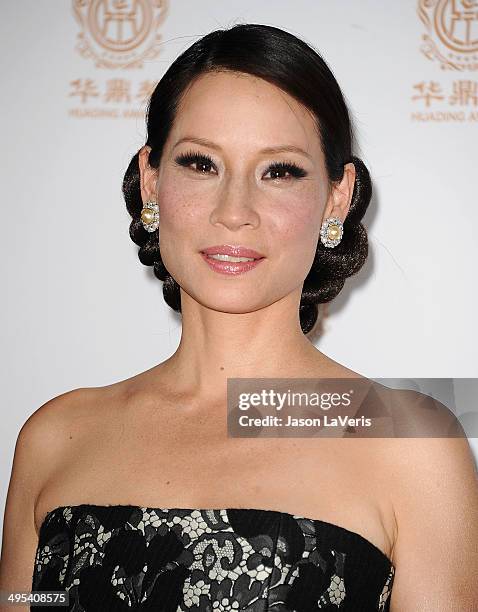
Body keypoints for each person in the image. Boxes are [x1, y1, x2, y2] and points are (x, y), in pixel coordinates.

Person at [1, 23, 477, 612]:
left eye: (279, 171)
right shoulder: (54, 437)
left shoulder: (411, 442)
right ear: (151, 179)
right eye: (201, 164)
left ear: (337, 196)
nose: (234, 212)